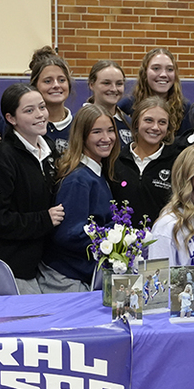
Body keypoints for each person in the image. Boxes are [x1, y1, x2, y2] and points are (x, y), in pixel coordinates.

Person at [0, 84, 64, 294]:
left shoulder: (49, 149)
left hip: (37, 264)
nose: (40, 115)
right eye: (29, 111)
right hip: (5, 270)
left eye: (42, 107)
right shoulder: (3, 158)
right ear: (11, 119)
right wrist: (43, 219)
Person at [43, 105, 119, 291]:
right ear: (82, 136)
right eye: (96, 132)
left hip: (84, 277)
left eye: (110, 130)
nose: (106, 138)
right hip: (67, 279)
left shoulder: (97, 173)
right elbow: (68, 234)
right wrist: (115, 236)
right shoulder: (78, 180)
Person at [110, 97, 180, 224]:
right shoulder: (116, 160)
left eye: (162, 122)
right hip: (123, 241)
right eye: (148, 120)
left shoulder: (177, 162)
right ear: (136, 122)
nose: (155, 127)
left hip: (161, 241)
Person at [119, 48, 190, 135]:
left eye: (170, 69)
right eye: (156, 68)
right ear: (145, 72)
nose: (163, 74)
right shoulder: (127, 106)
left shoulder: (185, 109)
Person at [29, 46, 74, 153]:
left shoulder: (80, 125)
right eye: (48, 81)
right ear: (35, 86)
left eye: (62, 80)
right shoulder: (27, 127)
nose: (56, 85)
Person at [86, 60, 129, 145]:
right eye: (106, 83)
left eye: (119, 84)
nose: (114, 89)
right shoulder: (77, 122)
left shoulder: (129, 124)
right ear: (91, 85)